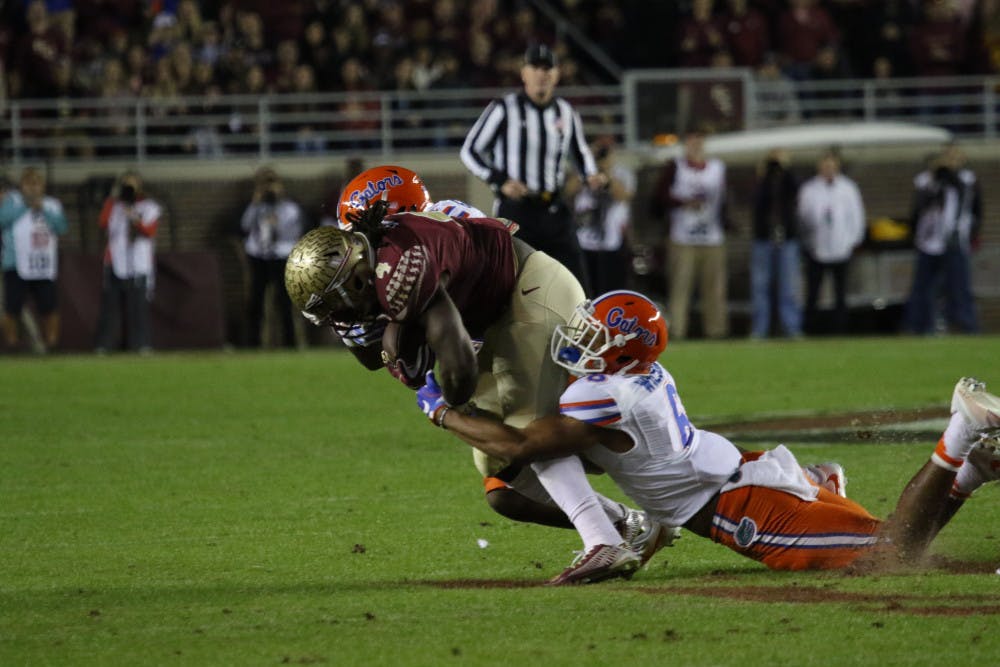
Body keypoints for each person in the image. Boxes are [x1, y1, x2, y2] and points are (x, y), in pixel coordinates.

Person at [414, 289, 1000, 581]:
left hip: (737, 505)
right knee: (896, 545)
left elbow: (518, 447)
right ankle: (972, 469)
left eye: (595, 336)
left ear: (619, 353)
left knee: (888, 557)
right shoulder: (636, 376)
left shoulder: (602, 393)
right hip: (738, 474)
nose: (581, 342)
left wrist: (438, 408)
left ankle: (961, 431)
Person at [284, 167, 671, 583]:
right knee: (502, 478)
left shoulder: (408, 254)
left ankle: (608, 536)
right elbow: (389, 351)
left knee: (527, 431)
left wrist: (444, 409)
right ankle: (633, 523)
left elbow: (454, 363)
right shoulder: (388, 256)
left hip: (526, 297)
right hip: (492, 326)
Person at [460, 43, 607, 295]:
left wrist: (591, 175)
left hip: (554, 209)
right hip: (517, 211)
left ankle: (581, 333)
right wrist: (500, 180)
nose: (542, 74)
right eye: (535, 68)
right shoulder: (504, 108)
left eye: (547, 68)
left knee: (578, 286)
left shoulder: (566, 112)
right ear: (524, 73)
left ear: (556, 74)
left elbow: (580, 152)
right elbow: (470, 150)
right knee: (508, 284)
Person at [650, 129, 729, 340]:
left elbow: (724, 200)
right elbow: (659, 197)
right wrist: (683, 202)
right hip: (682, 236)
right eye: (693, 140)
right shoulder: (676, 166)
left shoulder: (716, 168)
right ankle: (677, 330)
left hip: (712, 236)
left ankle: (716, 330)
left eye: (699, 140)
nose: (696, 144)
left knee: (714, 288)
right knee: (680, 287)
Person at [903, 143, 981, 335]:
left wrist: (973, 234)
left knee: (959, 285)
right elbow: (919, 208)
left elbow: (975, 208)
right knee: (923, 286)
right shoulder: (926, 180)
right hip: (929, 241)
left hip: (954, 240)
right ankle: (919, 325)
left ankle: (965, 324)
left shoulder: (967, 180)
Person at [797, 150, 866, 335]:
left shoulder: (848, 188)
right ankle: (811, 330)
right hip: (816, 247)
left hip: (841, 247)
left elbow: (856, 216)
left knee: (840, 293)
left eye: (831, 165)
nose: (828, 168)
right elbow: (803, 218)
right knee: (813, 292)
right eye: (825, 165)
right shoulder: (809, 189)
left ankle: (840, 331)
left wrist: (853, 240)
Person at [0, 167, 68, 351]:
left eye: (36, 183)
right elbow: (2, 220)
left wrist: (43, 209)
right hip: (15, 263)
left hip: (43, 265)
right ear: (22, 185)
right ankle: (12, 346)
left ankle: (51, 344)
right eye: (28, 184)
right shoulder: (12, 202)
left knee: (49, 308)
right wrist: (25, 206)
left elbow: (61, 227)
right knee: (11, 309)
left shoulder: (52, 205)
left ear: (43, 186)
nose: (32, 188)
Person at [94, 171, 163, 353]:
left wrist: (133, 214)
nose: (129, 189)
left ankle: (141, 344)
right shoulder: (114, 205)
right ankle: (104, 345)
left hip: (139, 262)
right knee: (110, 306)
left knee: (138, 307)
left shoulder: (149, 206)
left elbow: (149, 231)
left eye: (132, 185)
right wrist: (113, 197)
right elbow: (102, 222)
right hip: (115, 260)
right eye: (125, 185)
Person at [239, 167, 305, 348]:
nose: (269, 189)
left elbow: (294, 233)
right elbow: (244, 226)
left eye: (271, 184)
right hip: (259, 256)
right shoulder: (255, 207)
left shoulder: (290, 208)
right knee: (256, 301)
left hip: (281, 256)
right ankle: (253, 344)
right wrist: (255, 202)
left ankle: (290, 344)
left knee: (284, 301)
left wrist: (278, 218)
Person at [571, 139, 635, 297]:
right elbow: (568, 190)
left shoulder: (622, 173)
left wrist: (606, 172)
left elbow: (623, 195)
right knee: (584, 293)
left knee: (612, 293)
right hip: (584, 244)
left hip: (612, 244)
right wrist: (588, 167)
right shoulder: (580, 171)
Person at [749, 148, 802, 339]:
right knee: (760, 286)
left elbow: (795, 190)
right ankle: (759, 329)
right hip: (763, 238)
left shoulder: (788, 181)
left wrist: (785, 168)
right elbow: (757, 201)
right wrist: (764, 173)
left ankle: (792, 327)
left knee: (788, 286)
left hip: (787, 238)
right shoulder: (762, 182)